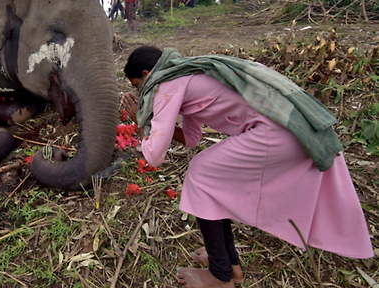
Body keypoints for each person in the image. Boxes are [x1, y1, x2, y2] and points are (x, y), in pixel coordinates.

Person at [121, 45, 373, 288]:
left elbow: (154, 157)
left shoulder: (166, 84)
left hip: (274, 132)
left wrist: (140, 121)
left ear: (147, 74)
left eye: (138, 87)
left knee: (201, 173)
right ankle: (229, 265)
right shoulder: (187, 73)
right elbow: (191, 138)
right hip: (281, 127)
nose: (142, 93)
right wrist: (154, 120)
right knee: (209, 181)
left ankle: (220, 276)